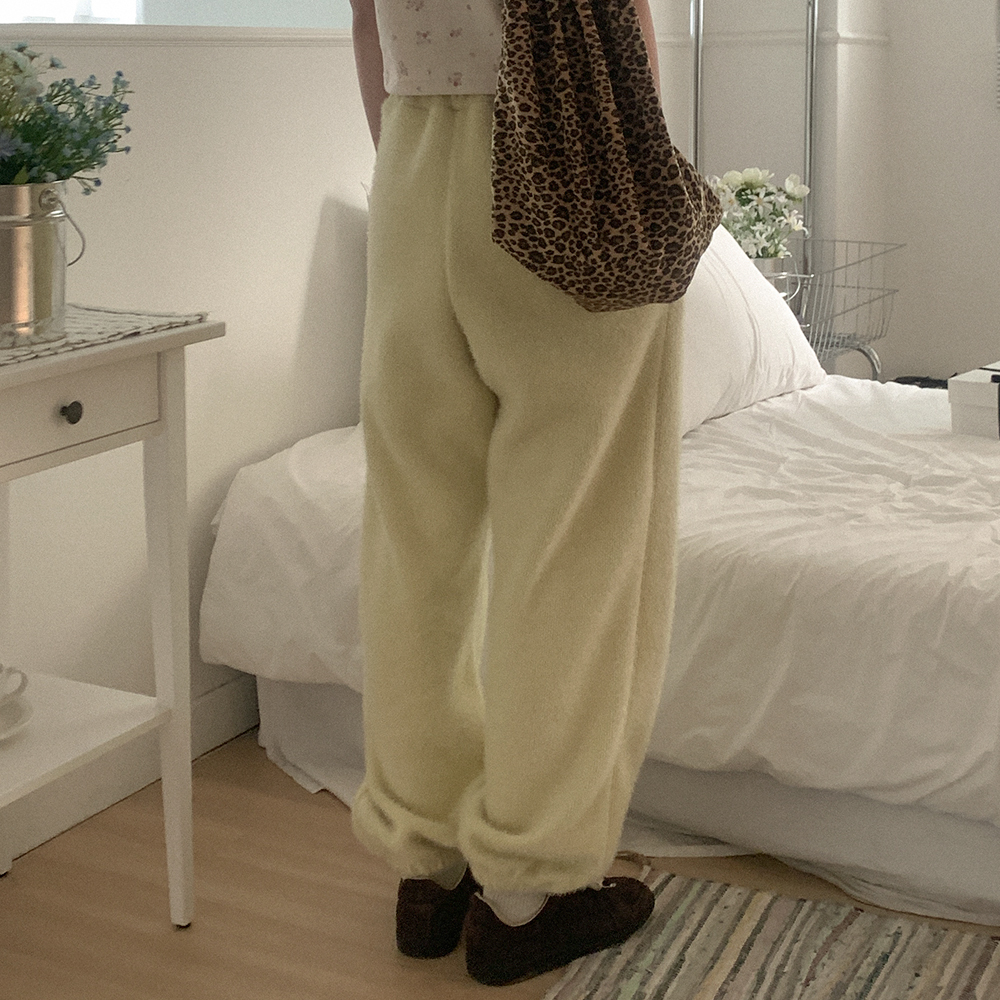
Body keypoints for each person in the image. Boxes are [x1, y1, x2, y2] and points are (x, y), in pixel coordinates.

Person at [347, 0, 686, 986]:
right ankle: (527, 888)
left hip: (410, 169)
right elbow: (624, 30)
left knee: (414, 539)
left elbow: (366, 22)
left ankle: (427, 864)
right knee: (573, 538)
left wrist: (417, 173)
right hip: (565, 160)